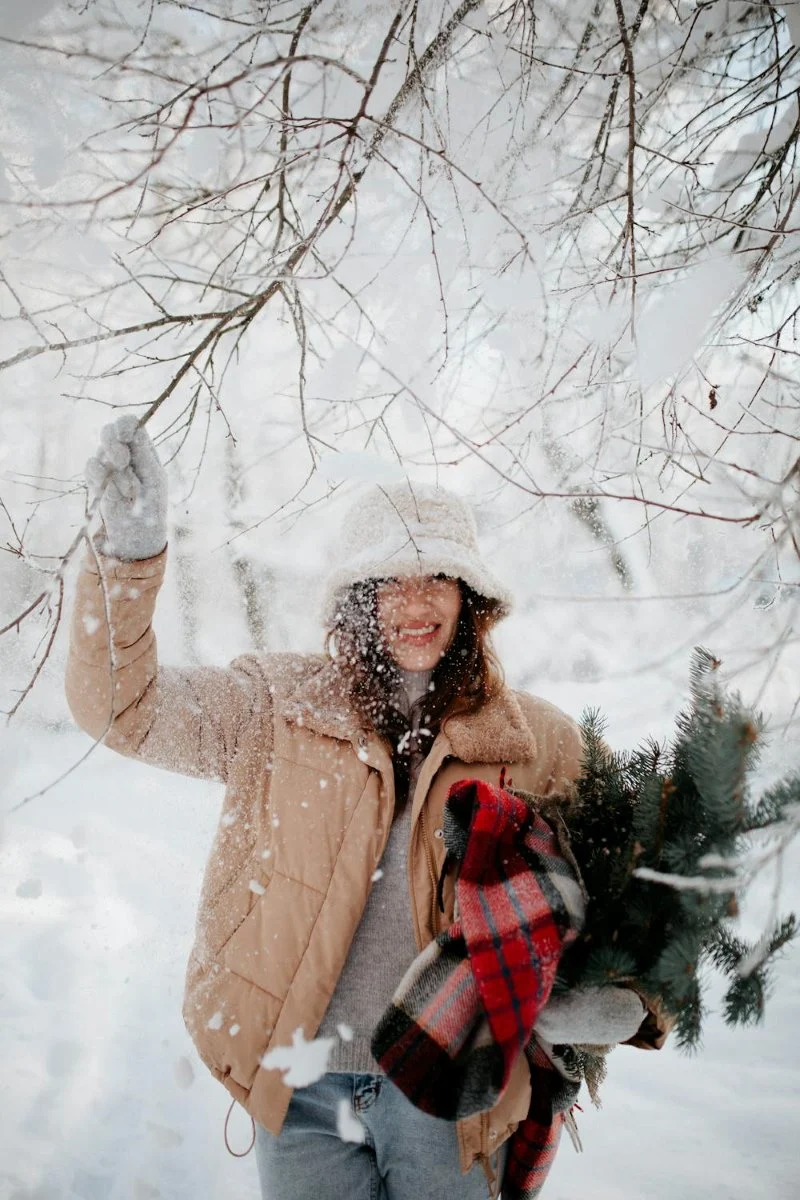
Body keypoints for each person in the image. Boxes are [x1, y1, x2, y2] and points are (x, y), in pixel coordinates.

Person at [65, 416, 665, 1200]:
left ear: (470, 595)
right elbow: (122, 709)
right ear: (356, 595)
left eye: (436, 578)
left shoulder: (533, 740)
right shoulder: (275, 708)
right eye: (392, 580)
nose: (415, 604)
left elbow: (650, 885)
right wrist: (129, 559)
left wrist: (628, 1003)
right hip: (303, 1087)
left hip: (450, 1089)